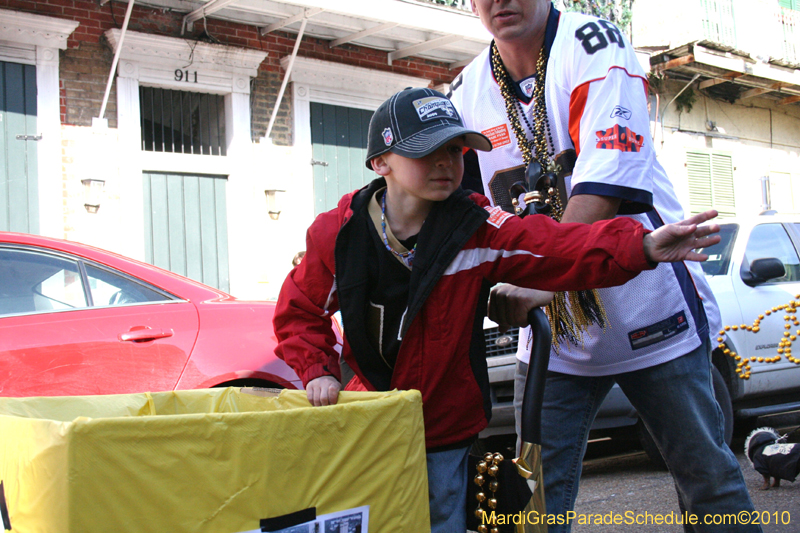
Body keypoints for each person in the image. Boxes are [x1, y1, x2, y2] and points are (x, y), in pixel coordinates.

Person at [272, 86, 720, 533]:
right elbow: (299, 311)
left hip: (444, 431)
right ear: (381, 161)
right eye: (427, 151)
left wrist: (640, 245)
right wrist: (318, 370)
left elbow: (554, 246)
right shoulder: (338, 234)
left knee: (441, 520)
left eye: (456, 149)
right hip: (366, 424)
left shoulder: (475, 226)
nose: (447, 162)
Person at [448, 1, 760, 531]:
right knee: (533, 503)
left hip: (647, 306)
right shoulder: (465, 91)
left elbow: (600, 193)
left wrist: (538, 284)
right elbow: (459, 213)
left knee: (709, 485)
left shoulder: (595, 46)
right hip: (555, 333)